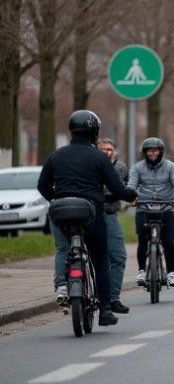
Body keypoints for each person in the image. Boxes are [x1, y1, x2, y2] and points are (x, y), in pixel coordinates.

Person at [38, 110, 137, 327]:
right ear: (94, 132)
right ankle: (105, 312)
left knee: (64, 249)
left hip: (62, 212)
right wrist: (131, 194)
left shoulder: (57, 155)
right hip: (90, 213)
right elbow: (117, 188)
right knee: (101, 260)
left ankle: (63, 285)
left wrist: (56, 198)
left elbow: (42, 185)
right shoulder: (99, 158)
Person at [128, 137, 174, 288]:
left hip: (166, 208)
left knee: (168, 242)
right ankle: (141, 270)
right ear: (144, 152)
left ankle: (171, 272)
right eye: (149, 151)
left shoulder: (171, 167)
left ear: (161, 152)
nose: (152, 153)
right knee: (142, 239)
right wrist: (131, 197)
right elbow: (132, 185)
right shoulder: (137, 168)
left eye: (155, 150)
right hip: (144, 208)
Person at [98, 138, 131, 314]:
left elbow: (128, 184)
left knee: (118, 257)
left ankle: (113, 298)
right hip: (92, 214)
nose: (106, 152)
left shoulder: (121, 167)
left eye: (110, 149)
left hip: (110, 214)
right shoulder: (92, 164)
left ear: (115, 151)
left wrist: (131, 196)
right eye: (102, 149)